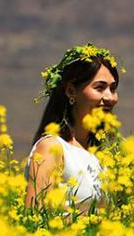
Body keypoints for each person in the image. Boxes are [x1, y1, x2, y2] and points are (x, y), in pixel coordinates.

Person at [25, 44, 121, 209]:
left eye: (113, 89)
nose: (110, 97)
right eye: (100, 87)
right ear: (70, 91)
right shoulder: (52, 148)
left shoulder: (100, 155)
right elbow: (35, 217)